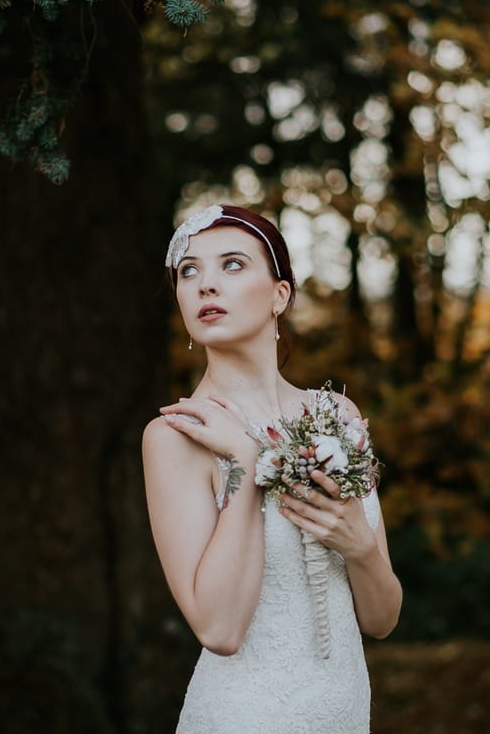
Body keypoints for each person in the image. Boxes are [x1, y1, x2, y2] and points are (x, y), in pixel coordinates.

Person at [142, 204, 402, 734]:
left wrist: (359, 547)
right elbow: (220, 630)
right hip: (244, 716)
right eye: (189, 271)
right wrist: (243, 461)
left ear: (280, 294)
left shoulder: (337, 416)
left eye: (232, 265)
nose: (205, 285)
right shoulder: (175, 437)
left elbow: (381, 620)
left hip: (346, 711)